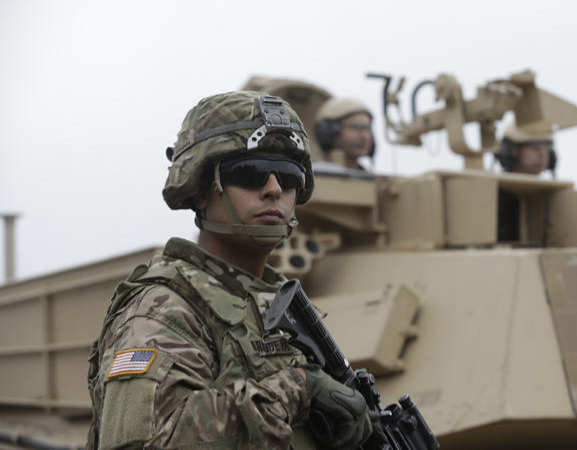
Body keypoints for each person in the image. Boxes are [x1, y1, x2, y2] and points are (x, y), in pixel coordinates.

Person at [86, 92, 385, 450]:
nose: (274, 190)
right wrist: (298, 390)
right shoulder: (164, 308)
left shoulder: (273, 303)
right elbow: (150, 439)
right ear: (200, 190)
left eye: (289, 176)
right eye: (251, 172)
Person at [314, 98, 375, 171]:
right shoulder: (308, 175)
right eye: (356, 127)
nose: (365, 136)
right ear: (329, 131)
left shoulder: (371, 180)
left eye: (367, 129)